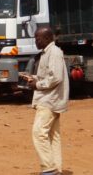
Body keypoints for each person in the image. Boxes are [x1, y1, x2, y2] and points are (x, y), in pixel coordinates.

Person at [24, 27, 69, 175]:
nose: (36, 41)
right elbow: (49, 76)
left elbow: (56, 78)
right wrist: (33, 78)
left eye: (38, 38)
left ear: (48, 39)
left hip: (50, 100)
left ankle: (49, 169)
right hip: (50, 98)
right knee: (52, 135)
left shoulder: (54, 52)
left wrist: (37, 85)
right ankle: (56, 168)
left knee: (39, 133)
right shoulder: (47, 53)